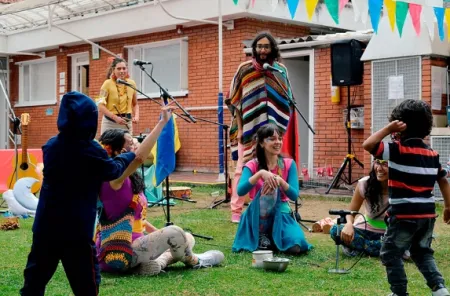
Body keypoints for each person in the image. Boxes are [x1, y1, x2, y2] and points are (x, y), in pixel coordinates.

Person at [20, 92, 139, 296]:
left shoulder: (51, 146)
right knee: (86, 285)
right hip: (75, 231)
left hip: (46, 227)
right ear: (88, 120)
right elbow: (112, 170)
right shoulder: (90, 149)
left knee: (34, 281)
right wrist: (130, 154)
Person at [96, 106, 224, 276]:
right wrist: (162, 123)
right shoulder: (113, 178)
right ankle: (195, 261)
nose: (137, 146)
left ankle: (157, 263)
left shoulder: (127, 178)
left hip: (138, 245)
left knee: (186, 237)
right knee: (175, 233)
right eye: (132, 144)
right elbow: (140, 157)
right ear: (119, 152)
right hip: (118, 252)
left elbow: (137, 219)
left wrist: (160, 235)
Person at [362, 99, 450, 296]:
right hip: (427, 216)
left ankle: (399, 293)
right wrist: (447, 207)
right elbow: (443, 180)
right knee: (422, 252)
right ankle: (439, 288)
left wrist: (387, 129)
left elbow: (368, 144)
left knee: (390, 253)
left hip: (403, 216)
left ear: (398, 126)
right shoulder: (432, 154)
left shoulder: (396, 150)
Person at [225, 32, 295, 223]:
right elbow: (235, 101)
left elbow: (285, 100)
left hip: (271, 131)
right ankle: (236, 211)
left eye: (266, 46)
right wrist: (240, 128)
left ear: (272, 48)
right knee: (242, 167)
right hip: (249, 127)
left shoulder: (280, 70)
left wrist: (278, 132)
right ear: (254, 49)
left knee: (274, 168)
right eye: (259, 46)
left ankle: (274, 206)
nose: (263, 50)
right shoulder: (245, 69)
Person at [232, 124, 311, 254]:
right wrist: (259, 174)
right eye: (272, 139)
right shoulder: (252, 164)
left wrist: (281, 182)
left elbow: (294, 195)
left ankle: (271, 240)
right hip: (257, 214)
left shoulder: (288, 164)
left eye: (279, 138)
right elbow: (240, 190)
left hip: (282, 213)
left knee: (296, 246)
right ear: (262, 143)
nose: (278, 142)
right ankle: (264, 237)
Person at [330, 159, 390, 257]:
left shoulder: (404, 187)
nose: (379, 168)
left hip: (390, 233)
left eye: (385, 164)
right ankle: (379, 250)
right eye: (377, 163)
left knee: (405, 242)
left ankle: (359, 249)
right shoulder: (364, 183)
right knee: (336, 230)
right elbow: (351, 212)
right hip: (366, 230)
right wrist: (349, 224)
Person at [97, 57, 139, 135]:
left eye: (124, 68)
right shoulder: (107, 84)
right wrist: (115, 118)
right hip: (110, 123)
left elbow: (135, 104)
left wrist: (136, 116)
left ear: (127, 69)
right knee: (107, 147)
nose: (122, 71)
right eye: (119, 69)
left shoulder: (132, 83)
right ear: (113, 70)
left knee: (128, 146)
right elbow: (100, 105)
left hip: (126, 123)